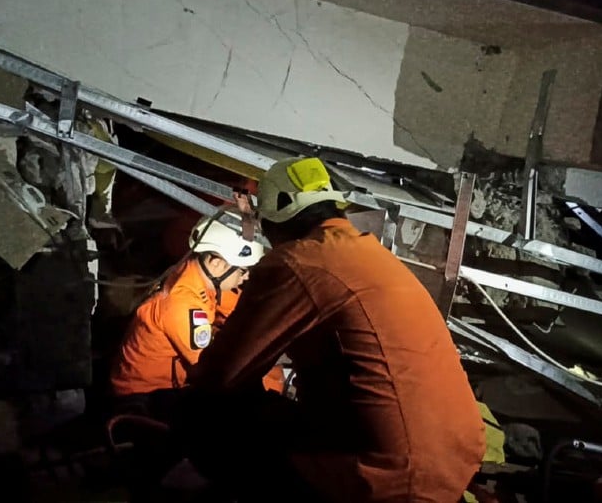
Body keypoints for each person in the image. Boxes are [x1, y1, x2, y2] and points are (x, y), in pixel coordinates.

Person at [180, 156, 487, 502]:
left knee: (201, 414)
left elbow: (218, 375)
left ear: (274, 222)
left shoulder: (299, 261)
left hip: (390, 477)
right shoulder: (372, 254)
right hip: (455, 458)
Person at [109, 214, 271, 417]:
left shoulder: (195, 274)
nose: (246, 277)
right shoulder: (183, 303)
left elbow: (232, 310)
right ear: (216, 263)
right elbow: (208, 367)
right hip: (144, 396)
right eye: (243, 270)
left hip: (158, 387)